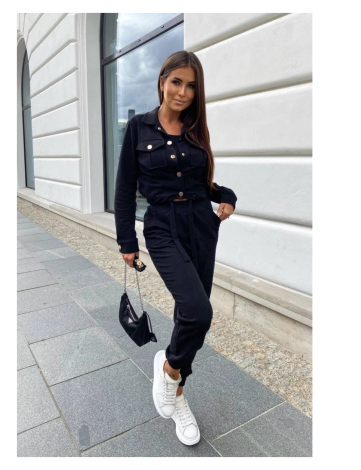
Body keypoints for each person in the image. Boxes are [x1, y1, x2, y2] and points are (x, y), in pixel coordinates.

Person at [114, 50, 237, 446]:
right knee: (199, 311)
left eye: (191, 86)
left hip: (201, 224)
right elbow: (124, 189)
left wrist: (226, 195)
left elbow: (202, 182)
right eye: (177, 82)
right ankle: (169, 370)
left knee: (190, 315)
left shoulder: (196, 130)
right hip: (162, 227)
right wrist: (127, 240)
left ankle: (177, 392)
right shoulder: (139, 127)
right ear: (162, 82)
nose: (183, 92)